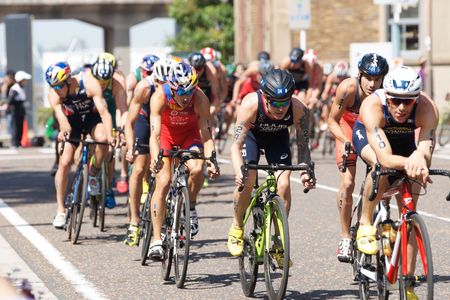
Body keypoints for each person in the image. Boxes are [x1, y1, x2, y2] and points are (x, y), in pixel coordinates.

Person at [352, 66, 437, 299]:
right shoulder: (372, 106)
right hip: (373, 138)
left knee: (409, 213)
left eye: (408, 102)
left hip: (404, 141)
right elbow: (386, 157)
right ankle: (365, 223)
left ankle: (407, 282)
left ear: (416, 100)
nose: (401, 107)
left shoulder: (428, 108)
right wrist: (412, 162)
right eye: (396, 101)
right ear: (387, 96)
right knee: (381, 170)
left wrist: (420, 159)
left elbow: (425, 147)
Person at [227, 69, 315, 257]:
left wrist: (305, 171)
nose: (281, 108)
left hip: (278, 139)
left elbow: (303, 145)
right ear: (265, 97)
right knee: (248, 180)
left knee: (283, 185)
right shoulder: (251, 104)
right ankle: (237, 226)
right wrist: (238, 172)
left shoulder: (299, 109)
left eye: (285, 102)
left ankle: (277, 238)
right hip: (251, 138)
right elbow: (236, 145)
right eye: (275, 102)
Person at [148, 62, 220, 259]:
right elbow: (154, 134)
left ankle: (191, 205)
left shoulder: (200, 98)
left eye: (190, 91)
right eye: (181, 92)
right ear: (172, 87)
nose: (186, 97)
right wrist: (156, 158)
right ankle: (156, 240)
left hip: (190, 136)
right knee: (162, 182)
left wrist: (211, 160)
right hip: (166, 136)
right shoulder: (160, 96)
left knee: (197, 169)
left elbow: (206, 135)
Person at [327, 53, 389, 262]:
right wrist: (345, 141)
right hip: (346, 127)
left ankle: (369, 209)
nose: (373, 83)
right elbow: (332, 120)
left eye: (377, 79)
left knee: (382, 169)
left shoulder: (385, 93)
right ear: (359, 74)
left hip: (370, 129)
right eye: (368, 78)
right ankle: (345, 237)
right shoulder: (348, 88)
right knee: (347, 183)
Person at [47, 61, 114, 229]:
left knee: (103, 139)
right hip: (73, 123)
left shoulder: (89, 83)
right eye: (53, 87)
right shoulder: (54, 94)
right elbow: (62, 120)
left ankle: (94, 171)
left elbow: (104, 113)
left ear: (69, 80)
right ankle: (61, 210)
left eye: (59, 86)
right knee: (64, 162)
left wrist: (111, 136)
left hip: (92, 119)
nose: (57, 90)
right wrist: (64, 131)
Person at [123, 58, 171, 246]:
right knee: (138, 169)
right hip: (144, 122)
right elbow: (129, 121)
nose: (162, 87)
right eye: (159, 82)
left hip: (165, 123)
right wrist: (130, 146)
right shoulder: (143, 88)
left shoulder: (174, 90)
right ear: (154, 78)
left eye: (166, 84)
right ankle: (134, 221)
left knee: (166, 175)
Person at [91, 58, 128, 209]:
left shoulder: (117, 83)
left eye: (106, 81)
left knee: (110, 151)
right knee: (89, 147)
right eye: (100, 81)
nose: (103, 84)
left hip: (110, 116)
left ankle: (107, 187)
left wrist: (120, 130)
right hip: (92, 116)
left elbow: (121, 109)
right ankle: (90, 174)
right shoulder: (89, 81)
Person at [7, 71, 32, 148]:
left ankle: (19, 142)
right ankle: (15, 143)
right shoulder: (15, 89)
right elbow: (10, 100)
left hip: (21, 109)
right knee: (16, 126)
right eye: (24, 80)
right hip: (16, 110)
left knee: (21, 126)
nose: (25, 82)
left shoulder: (21, 88)